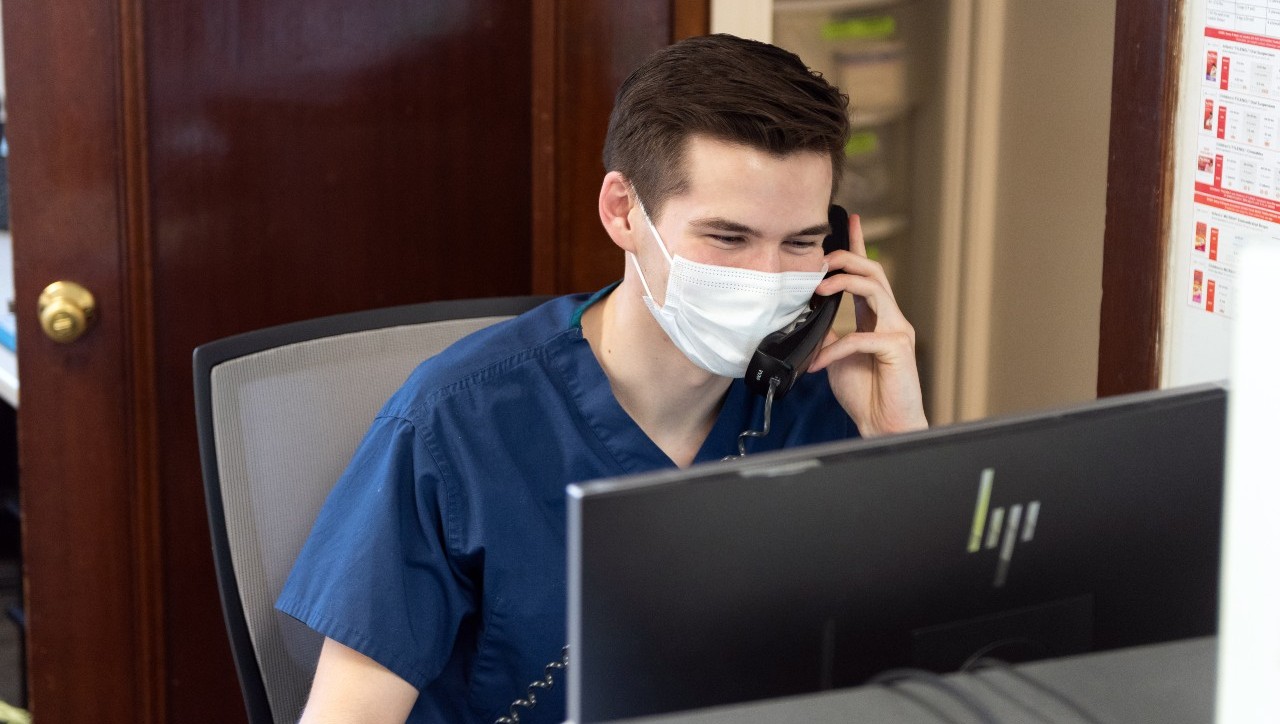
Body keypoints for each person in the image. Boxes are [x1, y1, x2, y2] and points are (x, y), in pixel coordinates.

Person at [278, 33, 928, 724]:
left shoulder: (827, 402)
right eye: (728, 238)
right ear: (623, 211)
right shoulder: (453, 424)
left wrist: (899, 447)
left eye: (799, 243)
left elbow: (928, 675)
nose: (768, 280)